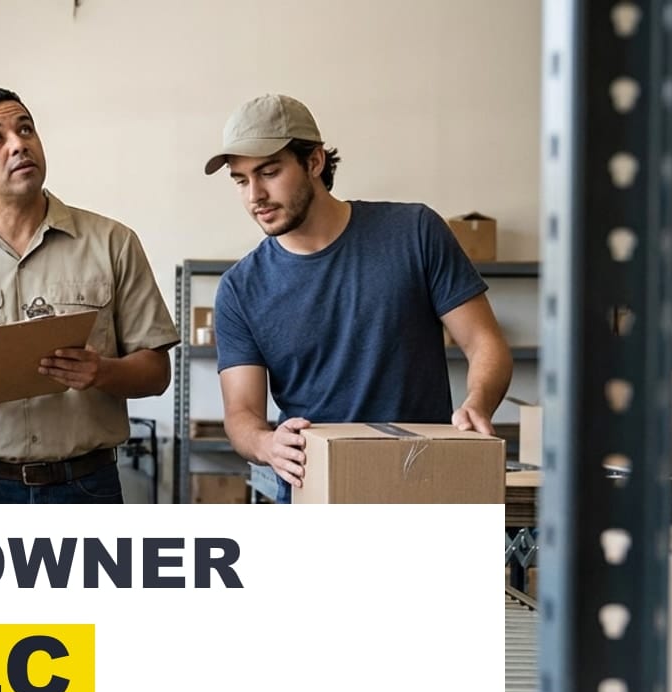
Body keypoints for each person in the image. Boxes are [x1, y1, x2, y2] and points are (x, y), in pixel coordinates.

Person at [204, 94, 513, 502]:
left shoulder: (414, 232)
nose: (254, 195)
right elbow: (242, 413)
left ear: (314, 162)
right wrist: (266, 445)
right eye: (241, 180)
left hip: (423, 484)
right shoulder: (240, 288)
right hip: (315, 490)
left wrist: (478, 403)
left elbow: (485, 343)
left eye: (269, 172)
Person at [0, 88, 179, 504]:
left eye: (26, 129)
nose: (19, 144)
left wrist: (100, 372)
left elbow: (156, 372)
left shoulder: (113, 243)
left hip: (87, 486)